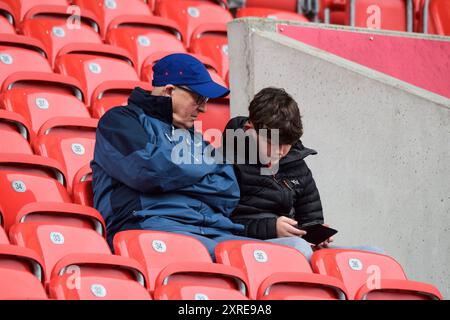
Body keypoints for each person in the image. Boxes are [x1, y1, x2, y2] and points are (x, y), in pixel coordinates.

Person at [91, 53, 254, 259]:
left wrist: (176, 171)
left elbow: (228, 189)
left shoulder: (193, 136)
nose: (203, 108)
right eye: (198, 98)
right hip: (149, 227)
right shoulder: (119, 120)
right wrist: (203, 167)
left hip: (210, 229)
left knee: (291, 251)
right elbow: (150, 172)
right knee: (226, 257)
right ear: (169, 91)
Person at [222, 87, 384, 261]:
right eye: (272, 143)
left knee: (374, 254)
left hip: (295, 245)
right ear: (250, 129)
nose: (281, 151)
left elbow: (310, 217)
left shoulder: (296, 162)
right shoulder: (227, 159)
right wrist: (271, 228)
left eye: (288, 143)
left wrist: (315, 233)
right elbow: (218, 223)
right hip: (248, 245)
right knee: (298, 248)